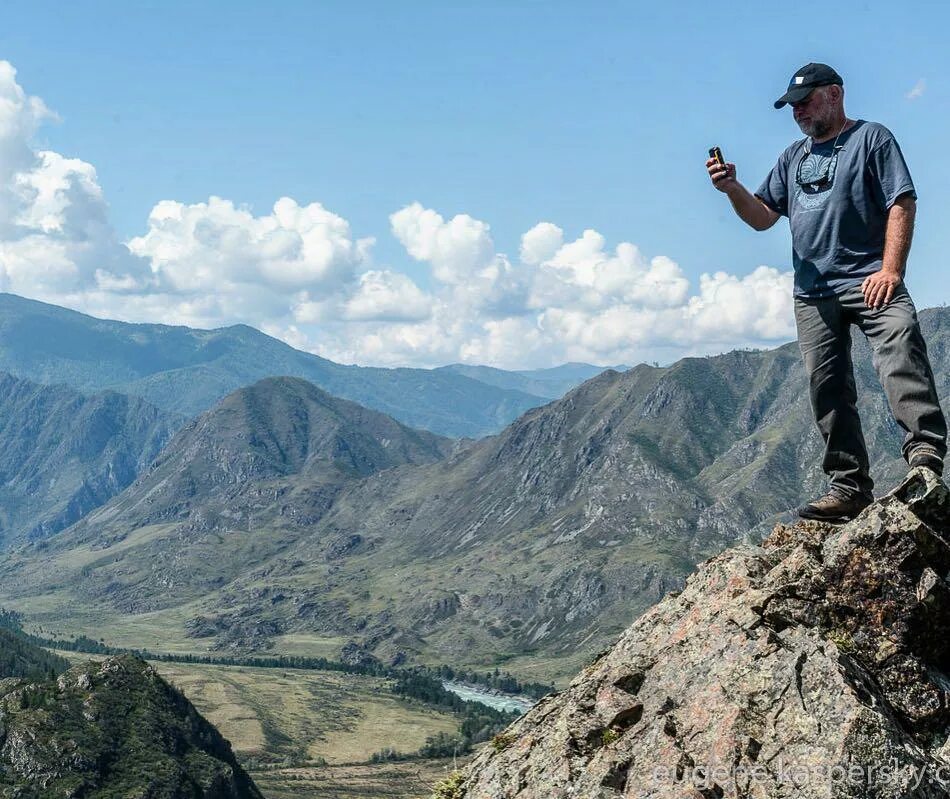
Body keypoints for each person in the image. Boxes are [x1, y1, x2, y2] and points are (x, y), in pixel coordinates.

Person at [706, 62, 947, 522]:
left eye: (805, 101)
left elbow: (902, 201)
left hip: (869, 279)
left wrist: (891, 271)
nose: (797, 112)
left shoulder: (872, 139)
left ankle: (924, 460)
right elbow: (760, 217)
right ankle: (849, 486)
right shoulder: (793, 157)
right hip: (813, 292)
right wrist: (731, 187)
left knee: (901, 348)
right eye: (792, 106)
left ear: (835, 93)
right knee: (827, 388)